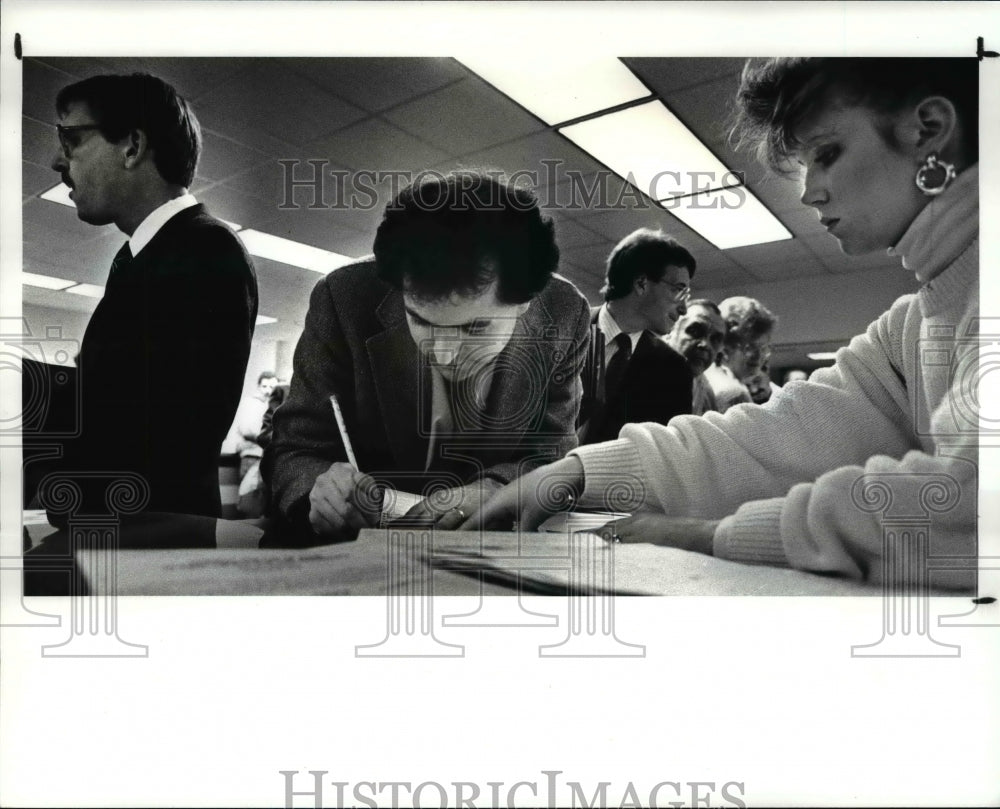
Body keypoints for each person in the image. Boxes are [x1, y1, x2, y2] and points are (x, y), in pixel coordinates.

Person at [466, 57, 979, 590]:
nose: (809, 191)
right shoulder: (915, 321)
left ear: (930, 131)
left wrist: (708, 535)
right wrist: (579, 472)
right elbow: (783, 434)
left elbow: (971, 507)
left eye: (827, 153)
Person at [262, 170, 590, 544]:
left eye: (474, 328)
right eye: (418, 319)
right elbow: (293, 449)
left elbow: (554, 454)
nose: (445, 355)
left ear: (525, 303)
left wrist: (494, 489)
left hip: (488, 555)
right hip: (356, 549)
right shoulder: (343, 297)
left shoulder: (565, 314)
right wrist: (317, 494)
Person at [37, 72, 258, 521]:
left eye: (71, 139)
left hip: (153, 547)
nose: (57, 163)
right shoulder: (149, 257)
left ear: (133, 147)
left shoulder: (204, 251)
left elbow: (152, 433)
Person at [577, 228, 695, 445]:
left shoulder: (674, 371)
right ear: (641, 283)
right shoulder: (563, 328)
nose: (684, 309)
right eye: (678, 290)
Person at [702, 296, 777, 412]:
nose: (758, 356)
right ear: (725, 346)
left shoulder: (705, 377)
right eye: (750, 347)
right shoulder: (734, 394)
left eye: (763, 348)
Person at [665, 299, 726, 415]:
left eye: (715, 339)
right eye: (695, 331)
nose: (705, 345)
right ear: (670, 331)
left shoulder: (704, 389)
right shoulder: (640, 374)